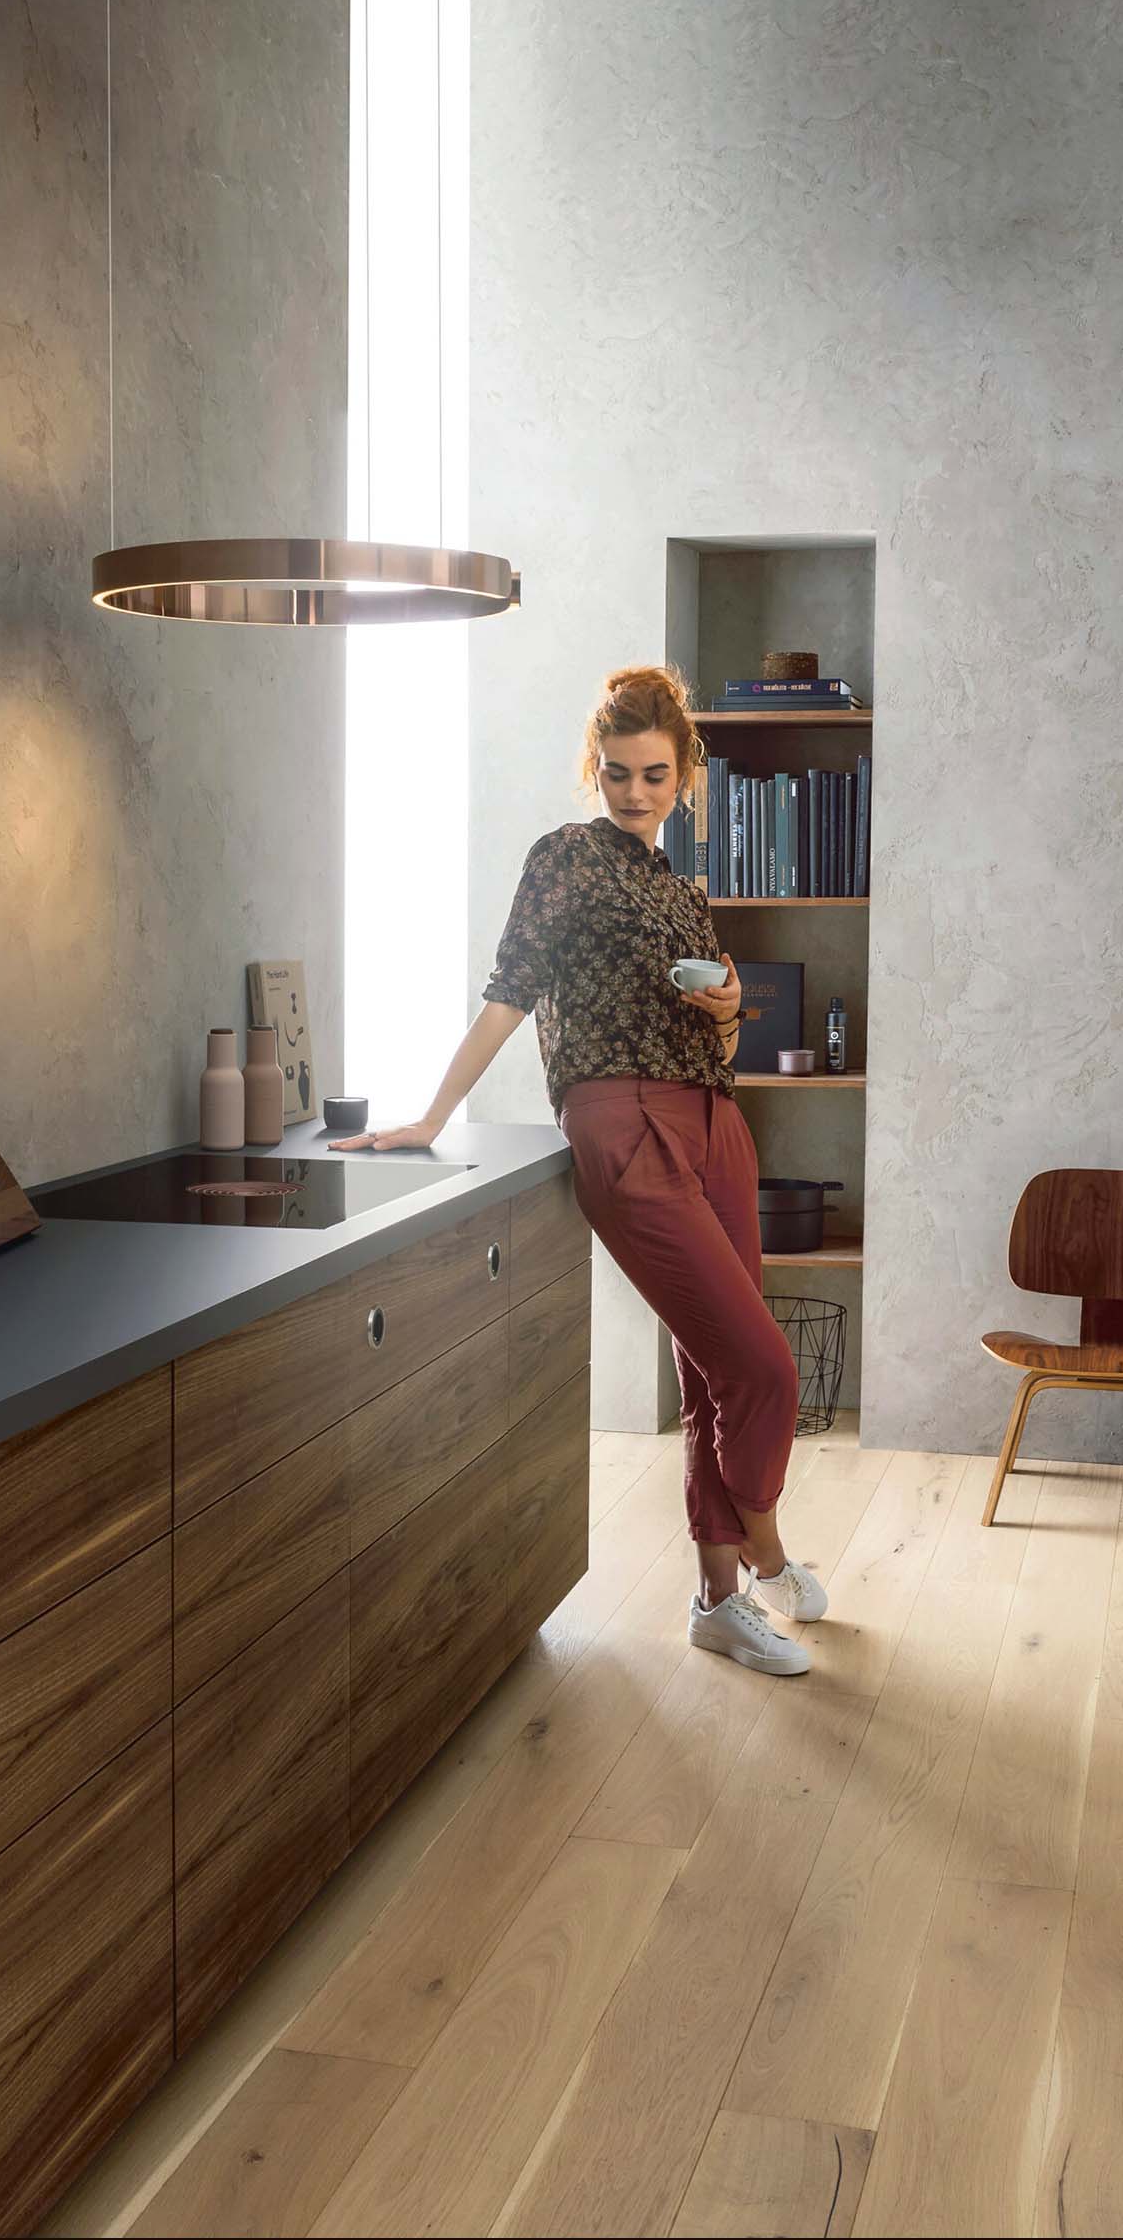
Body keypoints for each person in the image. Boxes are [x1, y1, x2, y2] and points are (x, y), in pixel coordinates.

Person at [330, 663, 826, 1676]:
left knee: (712, 1371)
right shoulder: (560, 859)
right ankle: (766, 1548)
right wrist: (430, 1113)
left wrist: (728, 1015)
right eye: (615, 774)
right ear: (593, 772)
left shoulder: (686, 893)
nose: (634, 793)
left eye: (653, 775)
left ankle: (715, 1599)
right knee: (764, 1366)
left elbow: (715, 1047)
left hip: (714, 1122)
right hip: (617, 1120)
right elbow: (511, 994)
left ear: (687, 775)